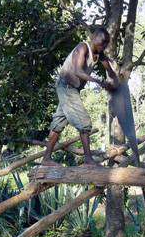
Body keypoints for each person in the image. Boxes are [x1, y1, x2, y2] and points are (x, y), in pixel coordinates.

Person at [41, 27, 119, 167]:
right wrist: (99, 82)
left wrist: (116, 81)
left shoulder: (99, 54)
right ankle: (88, 159)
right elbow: (77, 71)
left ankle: (46, 159)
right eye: (101, 43)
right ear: (93, 38)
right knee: (84, 123)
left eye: (105, 44)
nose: (103, 47)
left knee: (58, 123)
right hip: (66, 87)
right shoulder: (82, 48)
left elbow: (109, 70)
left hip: (72, 90)